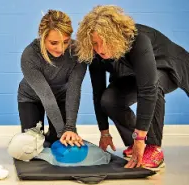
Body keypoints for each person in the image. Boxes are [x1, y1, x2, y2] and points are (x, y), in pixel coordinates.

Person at [75, 5, 189, 170]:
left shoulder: (138, 40)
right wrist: (104, 132)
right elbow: (98, 93)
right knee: (109, 100)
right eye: (94, 43)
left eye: (104, 42)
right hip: (136, 74)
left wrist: (141, 138)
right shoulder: (95, 54)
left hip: (172, 67)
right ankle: (134, 143)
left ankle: (152, 147)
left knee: (153, 84)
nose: (99, 49)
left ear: (114, 37)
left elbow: (148, 90)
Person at [17, 9, 87, 148]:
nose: (61, 49)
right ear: (42, 37)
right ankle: (42, 136)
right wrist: (63, 132)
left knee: (60, 142)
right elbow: (46, 96)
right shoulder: (29, 55)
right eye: (54, 43)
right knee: (32, 147)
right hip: (31, 98)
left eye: (66, 42)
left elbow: (74, 90)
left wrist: (70, 128)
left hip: (61, 97)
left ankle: (51, 135)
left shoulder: (78, 52)